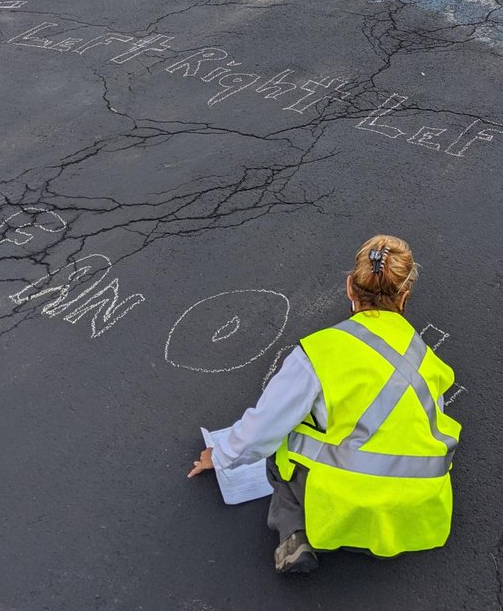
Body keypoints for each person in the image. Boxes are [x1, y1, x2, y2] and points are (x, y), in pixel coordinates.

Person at [188, 235, 462, 575]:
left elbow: (264, 427)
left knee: (283, 446)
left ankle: (295, 534)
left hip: (345, 506)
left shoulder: (321, 352)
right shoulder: (427, 359)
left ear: (350, 288)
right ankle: (376, 537)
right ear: (404, 297)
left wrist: (221, 454)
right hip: (413, 516)